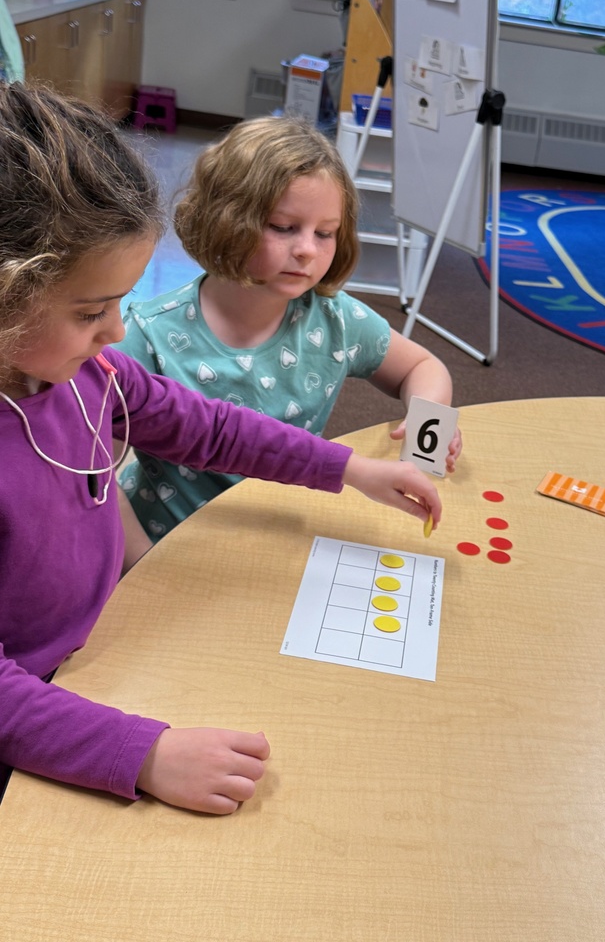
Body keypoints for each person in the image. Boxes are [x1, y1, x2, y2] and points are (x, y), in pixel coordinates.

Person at [0, 83, 442, 816]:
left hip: (107, 646)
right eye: (90, 311)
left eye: (120, 302)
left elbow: (210, 427)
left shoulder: (88, 369)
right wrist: (142, 754)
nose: (117, 330)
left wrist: (351, 468)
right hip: (41, 724)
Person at [116, 115, 461, 556]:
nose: (307, 250)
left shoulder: (335, 319)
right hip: (166, 545)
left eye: (326, 233)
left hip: (281, 534)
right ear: (226, 219)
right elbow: (90, 482)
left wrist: (427, 425)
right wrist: (142, 562)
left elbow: (421, 366)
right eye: (283, 227)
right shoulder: (144, 336)